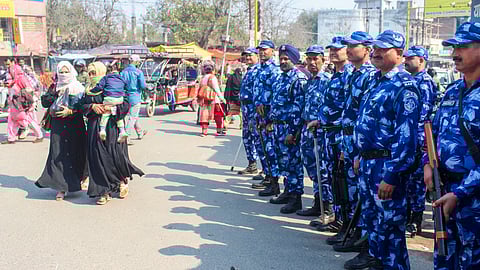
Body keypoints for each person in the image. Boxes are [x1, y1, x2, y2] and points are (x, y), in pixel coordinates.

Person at [345, 30, 420, 270]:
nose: (376, 53)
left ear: (399, 54)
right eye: (375, 48)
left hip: (387, 166)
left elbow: (406, 138)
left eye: (383, 49)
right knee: (373, 221)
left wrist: (392, 175)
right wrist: (359, 155)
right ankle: (376, 261)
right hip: (368, 163)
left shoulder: (404, 86)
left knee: (390, 227)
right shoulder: (376, 80)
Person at [425, 21, 480, 270]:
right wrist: (428, 164)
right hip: (444, 189)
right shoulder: (453, 91)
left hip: (472, 198)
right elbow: (433, 133)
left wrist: (460, 193)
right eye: (453, 46)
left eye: (464, 46)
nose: (455, 53)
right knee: (444, 259)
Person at [330, 31, 377, 252]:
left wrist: (359, 149)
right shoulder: (353, 74)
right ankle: (348, 228)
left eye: (353, 46)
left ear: (367, 49)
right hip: (347, 138)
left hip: (360, 141)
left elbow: (365, 116)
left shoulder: (369, 75)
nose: (348, 50)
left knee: (360, 191)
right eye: (347, 46)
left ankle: (359, 234)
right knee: (346, 186)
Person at [81, 61, 144, 205]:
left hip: (113, 127)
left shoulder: (113, 85)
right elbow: (82, 105)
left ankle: (122, 181)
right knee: (98, 158)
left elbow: (125, 103)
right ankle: (103, 191)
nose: (91, 76)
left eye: (94, 73)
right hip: (94, 128)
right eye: (89, 73)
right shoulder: (89, 89)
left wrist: (112, 110)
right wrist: (92, 106)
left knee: (115, 156)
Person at [308, 36, 354, 232]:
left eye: (338, 49)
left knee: (343, 179)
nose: (334, 52)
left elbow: (350, 109)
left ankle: (346, 222)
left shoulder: (350, 75)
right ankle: (336, 216)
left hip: (340, 134)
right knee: (333, 176)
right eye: (331, 50)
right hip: (328, 133)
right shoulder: (334, 75)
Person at [263, 44, 307, 214]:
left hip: (289, 128)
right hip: (278, 126)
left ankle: (296, 197)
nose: (282, 62)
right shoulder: (281, 78)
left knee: (293, 163)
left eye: (286, 59)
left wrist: (293, 131)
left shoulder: (298, 79)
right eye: (281, 58)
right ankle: (288, 191)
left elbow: (298, 106)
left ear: (294, 60)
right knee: (284, 162)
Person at [35, 61, 87, 200]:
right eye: (61, 72)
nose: (64, 75)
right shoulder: (55, 86)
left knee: (75, 152)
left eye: (66, 72)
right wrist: (54, 93)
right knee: (58, 153)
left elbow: (84, 106)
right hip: (58, 125)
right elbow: (45, 103)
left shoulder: (78, 87)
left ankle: (79, 180)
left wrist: (71, 111)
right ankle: (61, 188)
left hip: (75, 124)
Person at [403, 45, 439, 238]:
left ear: (421, 60)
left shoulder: (424, 82)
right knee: (408, 182)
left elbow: (422, 116)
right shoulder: (409, 80)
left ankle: (415, 221)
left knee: (416, 184)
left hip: (418, 140)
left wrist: (417, 142)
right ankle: (408, 217)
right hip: (408, 139)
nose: (406, 60)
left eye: (410, 57)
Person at [296, 45, 332, 217]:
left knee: (322, 169)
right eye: (309, 59)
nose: (311, 62)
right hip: (307, 130)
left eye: (315, 58)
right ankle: (317, 202)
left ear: (323, 60)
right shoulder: (309, 81)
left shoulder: (327, 81)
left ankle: (327, 206)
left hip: (320, 132)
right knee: (312, 168)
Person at [252, 40, 281, 190]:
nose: (262, 52)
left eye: (265, 49)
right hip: (259, 114)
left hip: (269, 116)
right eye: (260, 50)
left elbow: (275, 95)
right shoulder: (259, 69)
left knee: (270, 148)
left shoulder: (274, 70)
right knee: (262, 147)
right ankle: (268, 176)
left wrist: (269, 117)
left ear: (272, 51)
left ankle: (274, 181)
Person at [1, 61, 43, 144]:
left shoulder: (21, 79)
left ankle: (39, 135)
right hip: (14, 104)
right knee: (12, 121)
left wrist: (32, 102)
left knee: (27, 120)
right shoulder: (13, 80)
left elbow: (29, 90)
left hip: (21, 105)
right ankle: (11, 138)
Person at [238, 47, 261, 175]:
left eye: (250, 56)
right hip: (246, 109)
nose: (247, 58)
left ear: (257, 56)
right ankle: (251, 164)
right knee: (247, 136)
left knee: (257, 137)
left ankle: (265, 170)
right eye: (246, 56)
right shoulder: (248, 70)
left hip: (254, 108)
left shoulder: (258, 71)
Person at [96, 63, 128, 142]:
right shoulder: (122, 78)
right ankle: (122, 131)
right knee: (119, 118)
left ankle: (102, 129)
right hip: (119, 100)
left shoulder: (105, 78)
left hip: (109, 100)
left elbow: (99, 87)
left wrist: (93, 90)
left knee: (106, 114)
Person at [121, 54, 147, 142]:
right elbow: (143, 85)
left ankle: (140, 132)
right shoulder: (138, 72)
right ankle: (127, 136)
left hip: (126, 96)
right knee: (132, 117)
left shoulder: (123, 72)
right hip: (135, 96)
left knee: (134, 116)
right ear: (136, 62)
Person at [197, 60, 226, 136]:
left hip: (204, 99)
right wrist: (222, 98)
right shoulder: (212, 78)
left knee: (204, 115)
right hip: (213, 99)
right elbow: (216, 89)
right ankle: (219, 130)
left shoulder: (202, 78)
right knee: (218, 115)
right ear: (213, 69)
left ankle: (204, 131)